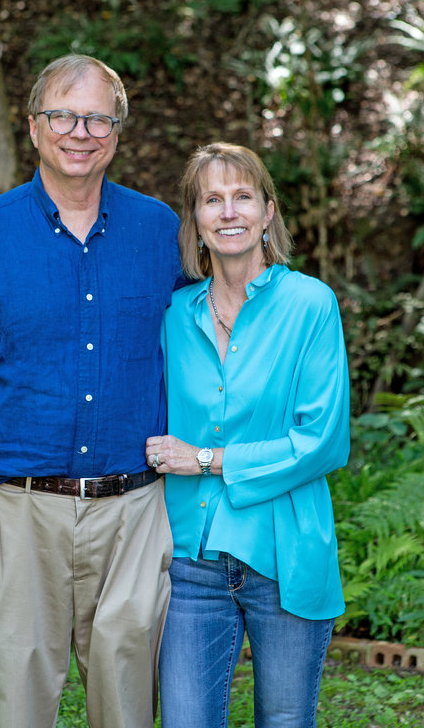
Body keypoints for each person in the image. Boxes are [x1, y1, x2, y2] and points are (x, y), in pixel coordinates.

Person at [0, 54, 183, 728]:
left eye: (97, 119)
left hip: (133, 513)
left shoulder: (160, 231)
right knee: (16, 707)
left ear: (116, 132)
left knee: (128, 709)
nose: (80, 132)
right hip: (15, 512)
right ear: (34, 127)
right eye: (63, 116)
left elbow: (209, 338)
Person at [145, 143, 350, 728]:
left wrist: (205, 458)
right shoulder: (173, 315)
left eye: (243, 196)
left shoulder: (310, 305)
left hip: (284, 554)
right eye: (213, 200)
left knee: (285, 720)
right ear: (196, 221)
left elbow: (323, 441)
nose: (229, 211)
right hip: (191, 558)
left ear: (268, 212)